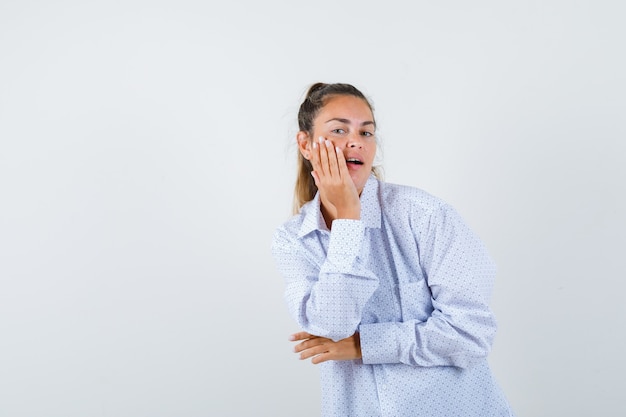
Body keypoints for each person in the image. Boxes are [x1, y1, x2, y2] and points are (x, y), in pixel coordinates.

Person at [271, 82, 515, 416]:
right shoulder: (294, 240)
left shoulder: (424, 215)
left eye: (366, 132)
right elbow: (331, 327)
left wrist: (362, 345)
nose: (356, 140)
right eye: (339, 129)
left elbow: (470, 333)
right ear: (306, 143)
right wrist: (348, 222)